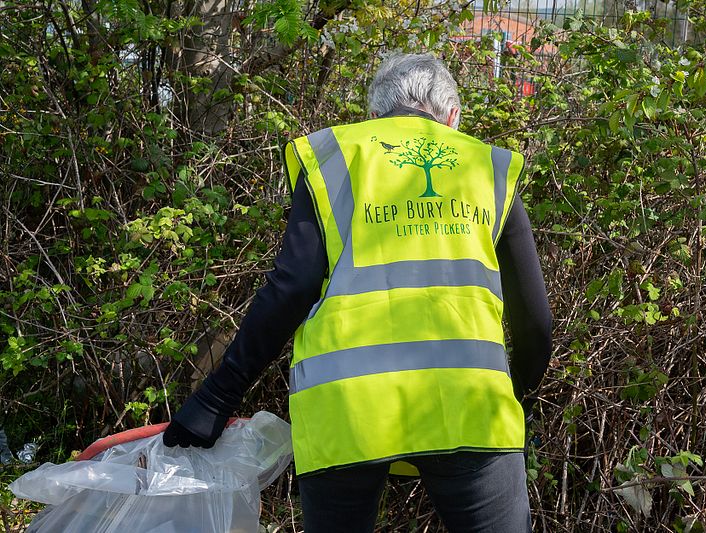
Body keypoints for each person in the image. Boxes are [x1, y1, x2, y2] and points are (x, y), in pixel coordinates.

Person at [164, 53, 552, 532]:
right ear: (452, 118)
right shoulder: (487, 166)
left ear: (373, 116)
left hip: (346, 412)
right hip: (471, 407)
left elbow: (292, 287)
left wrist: (216, 399)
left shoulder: (336, 157)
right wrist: (516, 396)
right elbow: (536, 323)